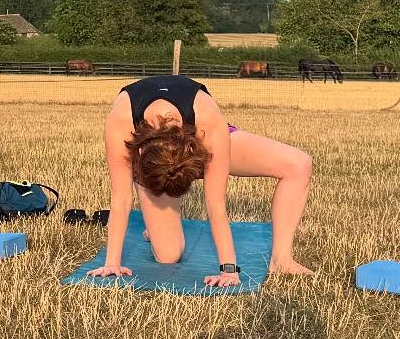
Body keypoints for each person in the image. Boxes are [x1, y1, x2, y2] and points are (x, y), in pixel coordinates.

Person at [89, 74, 313, 287]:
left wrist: (229, 269)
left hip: (204, 137)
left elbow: (216, 205)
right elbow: (121, 198)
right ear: (139, 154)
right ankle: (154, 225)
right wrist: (112, 263)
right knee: (168, 256)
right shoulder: (122, 120)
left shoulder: (207, 120)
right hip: (155, 159)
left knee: (298, 164)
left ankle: (281, 259)